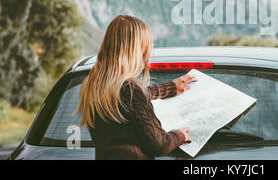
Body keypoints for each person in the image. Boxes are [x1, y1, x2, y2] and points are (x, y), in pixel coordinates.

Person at [78, 14, 196, 159]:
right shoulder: (131, 90)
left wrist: (169, 88)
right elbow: (159, 145)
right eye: (146, 49)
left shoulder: (92, 86)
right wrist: (180, 135)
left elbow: (127, 100)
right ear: (136, 51)